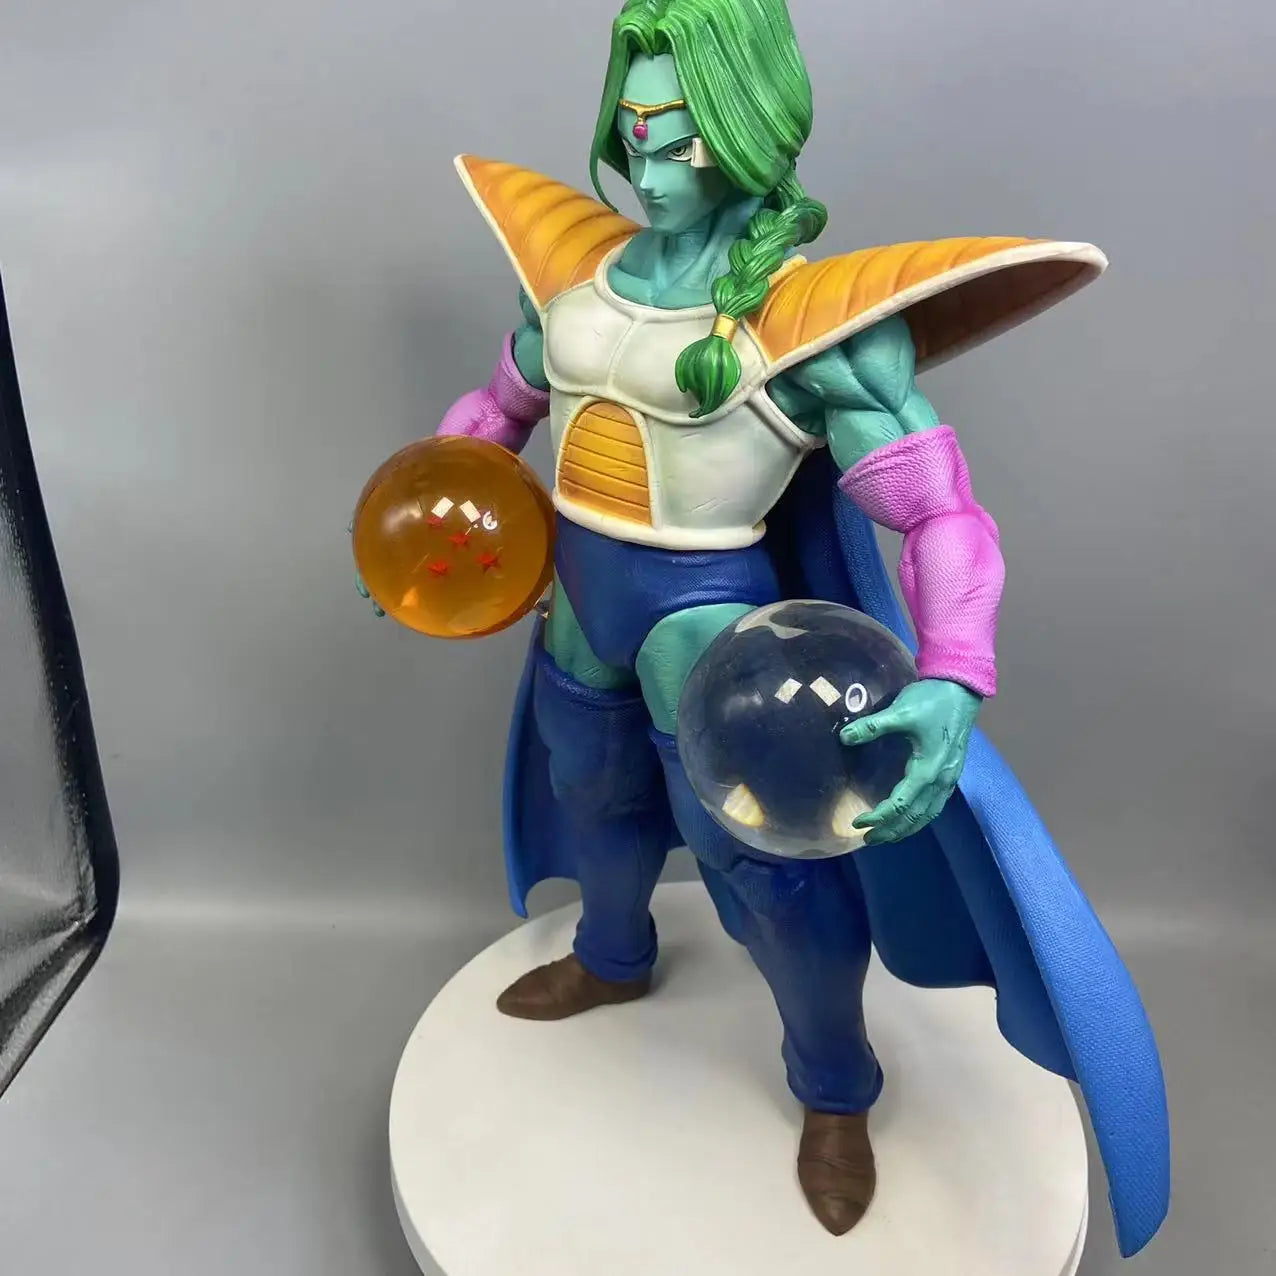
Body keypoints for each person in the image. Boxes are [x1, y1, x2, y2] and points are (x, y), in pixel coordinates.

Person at [382, 0, 1169, 1255]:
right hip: (579, 602)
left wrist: (954, 672)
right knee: (588, 790)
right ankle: (612, 951)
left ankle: (835, 1084)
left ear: (745, 126)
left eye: (679, 132)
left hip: (707, 626)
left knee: (766, 868)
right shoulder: (571, 284)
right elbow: (492, 416)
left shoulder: (807, 325)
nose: (648, 163)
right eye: (633, 127)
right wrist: (429, 522)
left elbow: (941, 513)